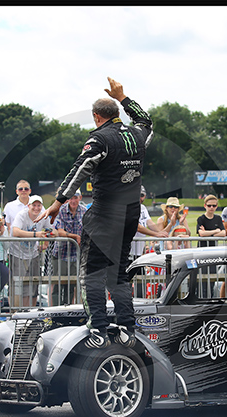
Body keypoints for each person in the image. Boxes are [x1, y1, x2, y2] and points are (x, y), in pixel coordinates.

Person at [40, 77, 153, 349]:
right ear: (116, 114)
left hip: (103, 215)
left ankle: (98, 328)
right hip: (129, 215)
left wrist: (59, 200)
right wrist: (123, 97)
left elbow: (81, 167)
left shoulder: (99, 139)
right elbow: (146, 121)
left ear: (96, 117)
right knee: (118, 273)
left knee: (91, 274)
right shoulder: (137, 135)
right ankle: (127, 326)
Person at [10, 195, 54, 308]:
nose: (36, 208)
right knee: (18, 285)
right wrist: (36, 235)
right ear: (28, 206)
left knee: (34, 284)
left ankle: (31, 313)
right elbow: (15, 231)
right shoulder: (21, 215)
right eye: (34, 205)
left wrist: (46, 242)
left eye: (39, 205)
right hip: (17, 253)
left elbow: (51, 229)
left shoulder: (43, 215)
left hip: (33, 253)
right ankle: (16, 312)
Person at [51, 189, 86, 305]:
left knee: (71, 286)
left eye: (75, 198)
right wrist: (75, 237)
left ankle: (67, 310)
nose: (73, 200)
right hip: (61, 253)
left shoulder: (85, 211)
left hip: (76, 255)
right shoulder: (61, 211)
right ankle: (55, 311)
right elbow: (59, 231)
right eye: (71, 198)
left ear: (80, 198)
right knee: (57, 284)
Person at [130, 185, 169, 261]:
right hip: (129, 251)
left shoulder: (143, 208)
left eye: (142, 195)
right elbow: (137, 227)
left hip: (139, 252)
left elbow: (150, 223)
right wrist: (156, 234)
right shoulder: (129, 208)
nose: (140, 198)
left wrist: (161, 233)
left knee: (140, 272)